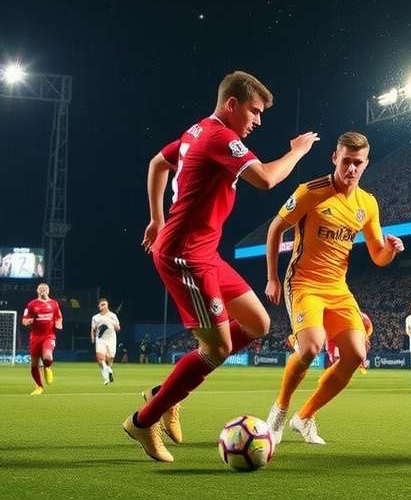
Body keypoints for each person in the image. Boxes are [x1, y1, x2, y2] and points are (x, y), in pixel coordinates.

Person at [122, 70, 319, 463]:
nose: (258, 121)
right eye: (254, 111)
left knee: (258, 323)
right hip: (184, 257)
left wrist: (156, 218)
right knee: (218, 347)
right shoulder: (218, 137)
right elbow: (266, 179)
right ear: (231, 105)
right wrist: (298, 151)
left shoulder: (195, 132)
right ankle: (143, 421)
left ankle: (167, 393)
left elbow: (158, 163)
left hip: (205, 253)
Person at [264, 132, 404, 445]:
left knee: (355, 354)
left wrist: (391, 250)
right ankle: (280, 411)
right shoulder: (310, 191)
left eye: (358, 163)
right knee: (311, 347)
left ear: (366, 164)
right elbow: (275, 229)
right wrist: (272, 277)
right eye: (346, 161)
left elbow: (378, 256)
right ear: (334, 158)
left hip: (338, 288)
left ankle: (305, 416)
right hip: (303, 282)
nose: (351, 168)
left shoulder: (367, 204)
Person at [21, 283, 62, 395]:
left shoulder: (54, 304)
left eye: (45, 288)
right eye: (41, 288)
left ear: (48, 291)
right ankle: (39, 387)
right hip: (35, 337)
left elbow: (59, 317)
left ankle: (47, 367)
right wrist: (28, 321)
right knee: (34, 364)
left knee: (48, 356)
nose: (43, 290)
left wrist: (59, 323)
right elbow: (24, 320)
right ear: (37, 291)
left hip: (49, 336)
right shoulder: (31, 304)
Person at [91, 298, 121, 385]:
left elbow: (118, 328)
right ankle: (106, 378)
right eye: (101, 305)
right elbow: (93, 329)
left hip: (111, 339)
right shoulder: (95, 317)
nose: (103, 306)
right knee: (100, 358)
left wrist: (112, 322)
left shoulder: (113, 316)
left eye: (104, 304)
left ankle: (109, 370)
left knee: (110, 358)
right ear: (99, 306)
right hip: (100, 339)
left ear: (107, 305)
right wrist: (92, 337)